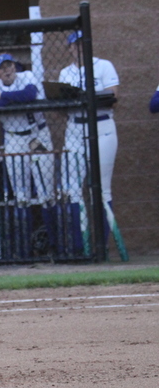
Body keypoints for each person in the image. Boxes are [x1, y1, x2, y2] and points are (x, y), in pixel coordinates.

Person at [0, 53, 56, 257]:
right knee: (20, 195)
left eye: (9, 65)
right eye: (2, 67)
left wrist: (3, 99)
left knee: (46, 194)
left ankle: (55, 246)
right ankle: (24, 249)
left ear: (15, 66)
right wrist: (6, 102)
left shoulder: (27, 76)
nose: (7, 70)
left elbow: (29, 95)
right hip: (13, 138)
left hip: (38, 135)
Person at [58, 31, 119, 255]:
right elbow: (61, 107)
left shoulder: (103, 65)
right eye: (74, 45)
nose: (79, 48)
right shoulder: (65, 72)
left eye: (83, 43)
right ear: (70, 48)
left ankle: (101, 246)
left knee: (102, 190)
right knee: (73, 189)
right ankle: (79, 247)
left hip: (102, 126)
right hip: (74, 128)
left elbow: (113, 97)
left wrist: (85, 96)